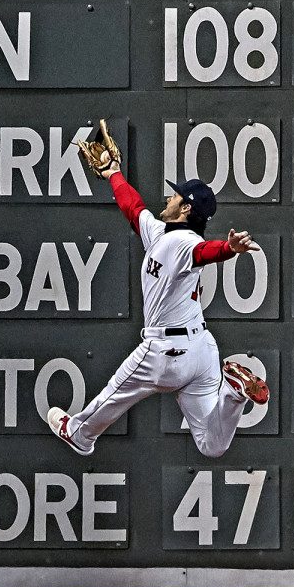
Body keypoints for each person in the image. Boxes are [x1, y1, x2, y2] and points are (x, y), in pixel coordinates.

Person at [47, 151, 269, 457]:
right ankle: (233, 394)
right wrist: (114, 173)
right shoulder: (161, 232)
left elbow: (205, 251)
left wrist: (228, 249)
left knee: (114, 394)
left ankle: (78, 433)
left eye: (175, 195)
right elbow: (132, 206)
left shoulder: (184, 242)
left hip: (165, 352)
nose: (169, 197)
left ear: (185, 207)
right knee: (212, 445)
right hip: (200, 350)